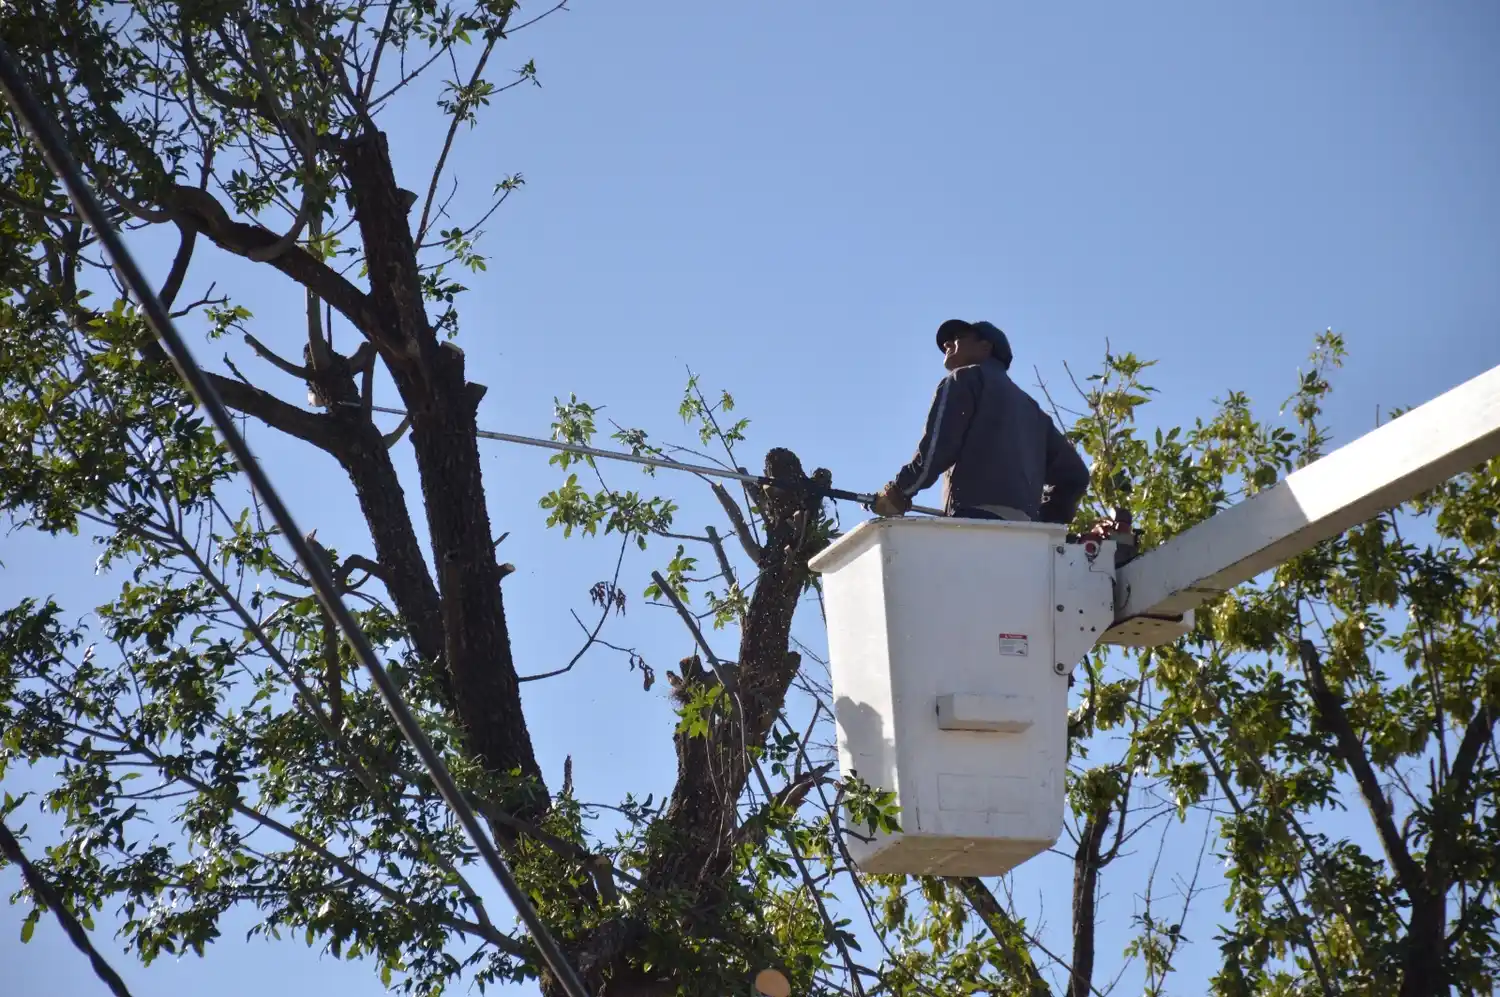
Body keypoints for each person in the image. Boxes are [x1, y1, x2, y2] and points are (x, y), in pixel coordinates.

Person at [873, 319, 1090, 524]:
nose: (947, 344)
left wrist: (900, 491)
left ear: (985, 347)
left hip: (974, 522)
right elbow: (1076, 476)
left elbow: (937, 450)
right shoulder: (1033, 410)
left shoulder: (964, 379)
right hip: (1026, 534)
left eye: (958, 337)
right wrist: (1044, 523)